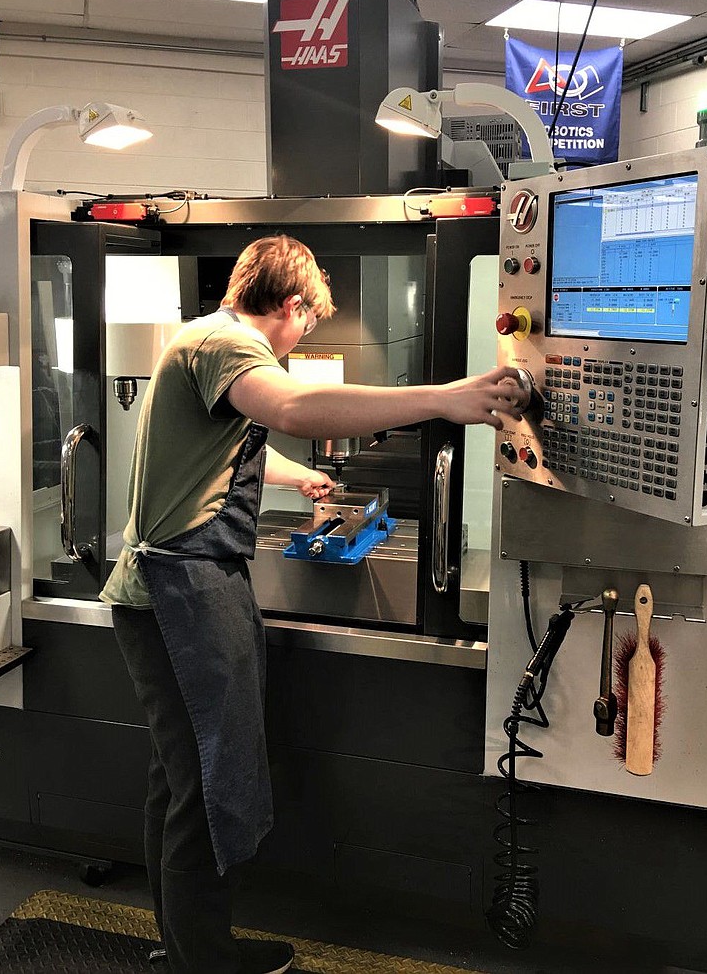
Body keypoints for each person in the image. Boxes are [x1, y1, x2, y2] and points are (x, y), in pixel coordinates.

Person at [100, 234, 535, 974]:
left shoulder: (205, 346)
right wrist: (444, 399)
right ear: (295, 306)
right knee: (206, 787)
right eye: (310, 324)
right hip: (181, 592)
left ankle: (185, 946)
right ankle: (201, 961)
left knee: (181, 781)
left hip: (177, 588)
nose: (305, 338)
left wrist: (299, 478)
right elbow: (294, 406)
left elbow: (238, 441)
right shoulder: (227, 342)